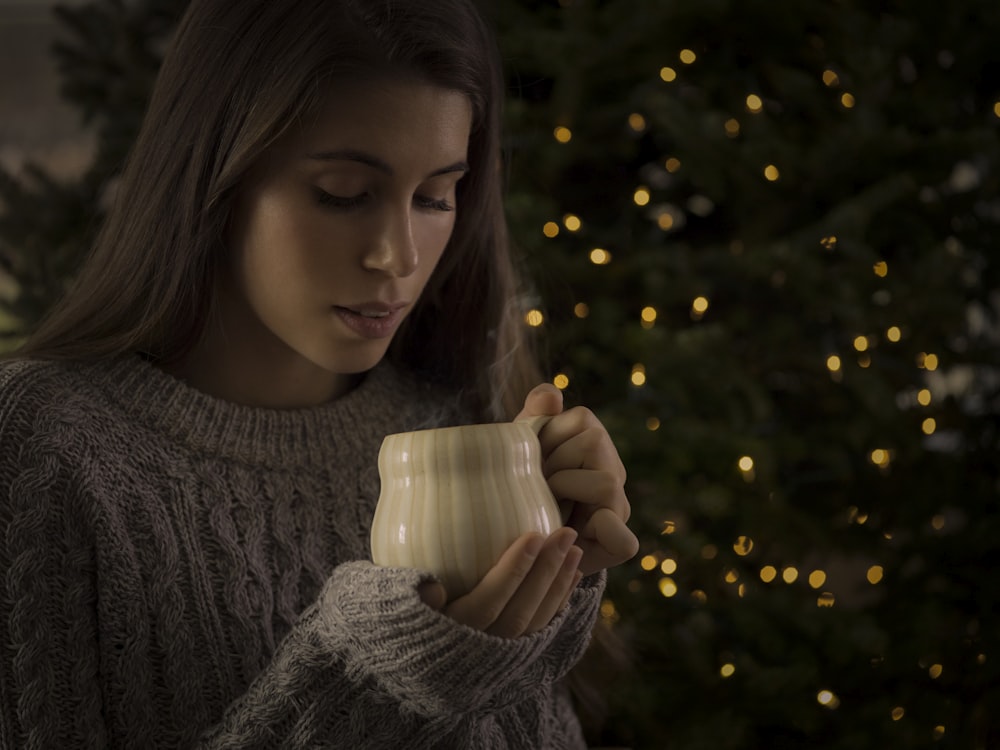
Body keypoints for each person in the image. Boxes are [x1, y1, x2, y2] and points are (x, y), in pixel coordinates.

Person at [0, 0, 639, 747]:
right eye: (343, 194)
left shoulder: (452, 421)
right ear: (214, 176)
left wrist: (547, 582)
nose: (398, 258)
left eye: (436, 196)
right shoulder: (42, 450)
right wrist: (376, 680)